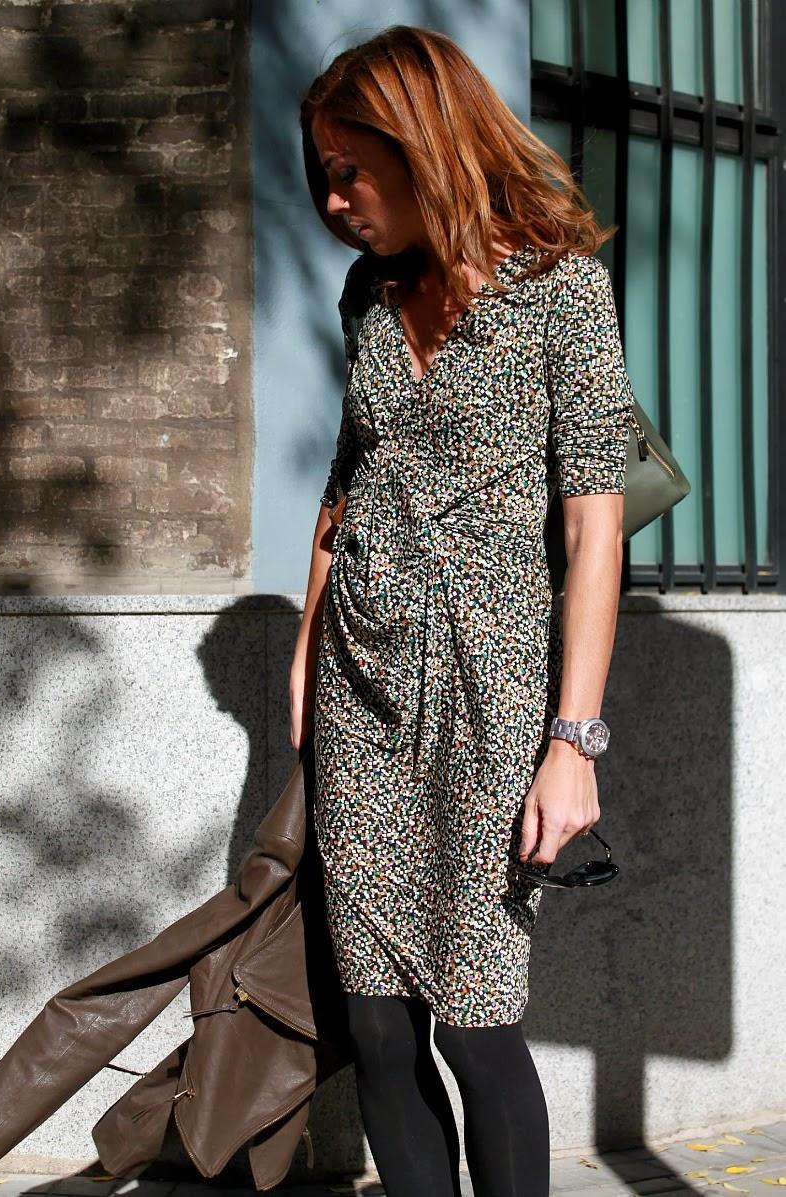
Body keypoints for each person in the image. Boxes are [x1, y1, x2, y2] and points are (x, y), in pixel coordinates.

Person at [290, 25, 634, 1197]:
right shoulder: (367, 294)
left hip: (497, 694)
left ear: (425, 145)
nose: (334, 199)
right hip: (361, 688)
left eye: (353, 171)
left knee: (476, 1021)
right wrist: (305, 645)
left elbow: (596, 525)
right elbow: (352, 472)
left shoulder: (564, 295)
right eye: (323, 174)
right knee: (380, 1025)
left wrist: (573, 740)